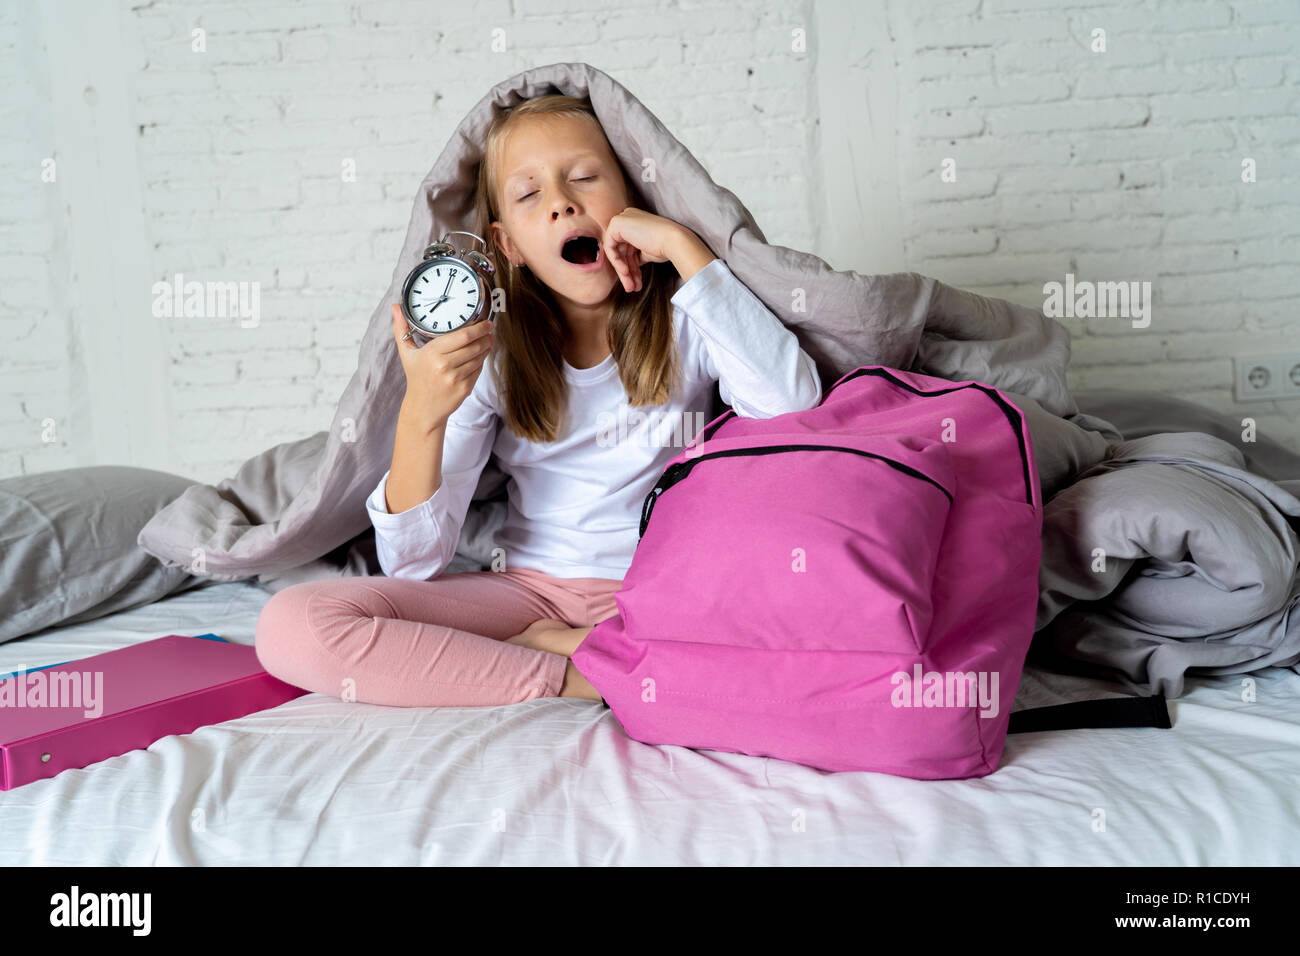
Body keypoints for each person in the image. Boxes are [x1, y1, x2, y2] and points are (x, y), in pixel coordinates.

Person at [254, 94, 823, 708]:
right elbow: (414, 566)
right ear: (510, 245)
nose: (561, 203)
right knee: (293, 623)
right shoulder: (491, 352)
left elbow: (793, 407)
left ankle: (579, 646)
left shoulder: (687, 316)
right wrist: (422, 413)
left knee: (806, 607)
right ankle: (579, 672)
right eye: (530, 196)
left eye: (584, 178)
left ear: (631, 199)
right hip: (527, 595)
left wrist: (687, 251)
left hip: (661, 594)